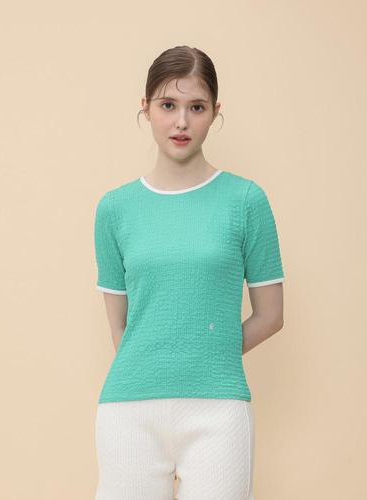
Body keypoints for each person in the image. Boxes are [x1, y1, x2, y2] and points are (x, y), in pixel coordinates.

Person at [93, 45, 285, 500]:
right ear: (145, 107)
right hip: (129, 411)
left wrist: (205, 353)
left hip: (219, 410)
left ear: (215, 112)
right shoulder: (115, 209)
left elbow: (271, 315)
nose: (181, 121)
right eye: (168, 105)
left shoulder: (246, 201)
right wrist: (160, 359)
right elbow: (120, 327)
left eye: (196, 107)